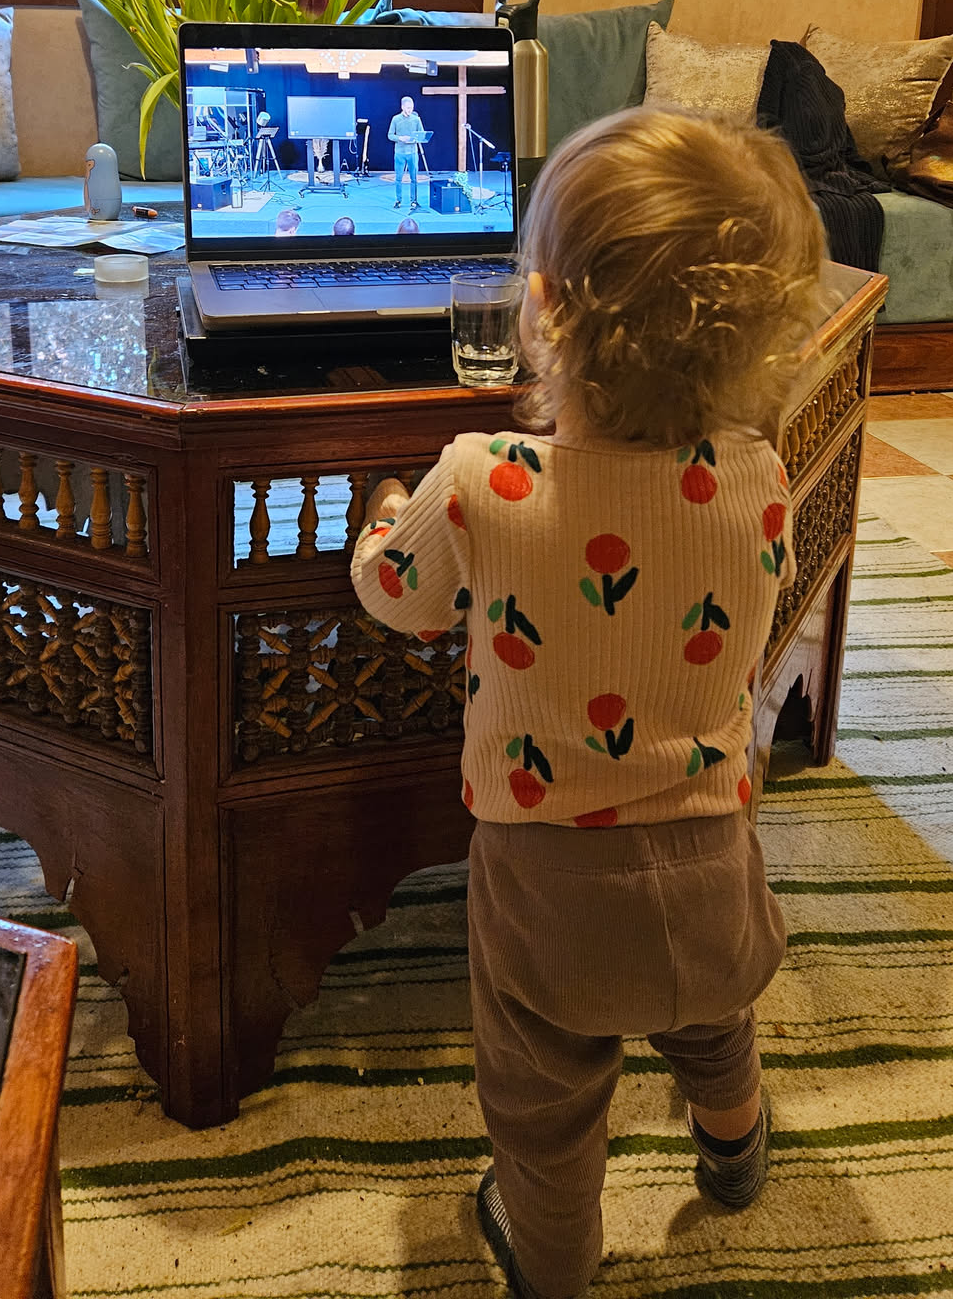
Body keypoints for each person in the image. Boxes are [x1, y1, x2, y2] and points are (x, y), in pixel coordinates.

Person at [350, 109, 826, 1299]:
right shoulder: (763, 478)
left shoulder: (479, 480)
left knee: (544, 1101)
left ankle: (555, 1262)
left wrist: (384, 514)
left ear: (546, 308)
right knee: (713, 1019)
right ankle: (735, 1149)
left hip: (546, 881)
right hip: (715, 861)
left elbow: (396, 598)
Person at [388, 94, 426, 209]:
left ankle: (414, 200)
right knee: (398, 178)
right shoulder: (396, 119)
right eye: (408, 108)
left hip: (412, 153)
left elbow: (422, 135)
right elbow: (390, 135)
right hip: (399, 153)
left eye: (412, 108)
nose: (410, 110)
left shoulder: (416, 119)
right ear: (402, 107)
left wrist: (416, 138)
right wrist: (400, 138)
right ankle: (398, 200)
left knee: (414, 178)